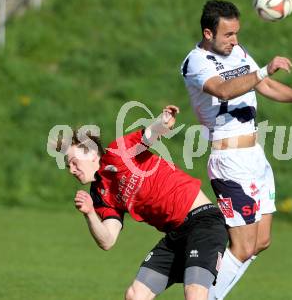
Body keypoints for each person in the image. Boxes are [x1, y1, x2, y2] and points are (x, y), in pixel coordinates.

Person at [180, 0, 292, 300]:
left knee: (261, 241)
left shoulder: (236, 52)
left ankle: (206, 288)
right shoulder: (196, 62)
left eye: (237, 33)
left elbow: (262, 87)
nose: (234, 40)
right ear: (208, 33)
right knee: (243, 246)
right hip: (229, 160)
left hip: (255, 156)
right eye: (228, 35)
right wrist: (265, 69)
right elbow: (224, 89)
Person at [60, 105, 228, 300]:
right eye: (67, 165)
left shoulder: (117, 153)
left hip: (203, 222)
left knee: (195, 294)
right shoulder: (99, 194)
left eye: (73, 162)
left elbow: (148, 137)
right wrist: (89, 213)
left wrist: (162, 122)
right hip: (175, 235)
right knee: (135, 295)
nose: (71, 170)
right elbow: (107, 240)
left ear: (90, 153)